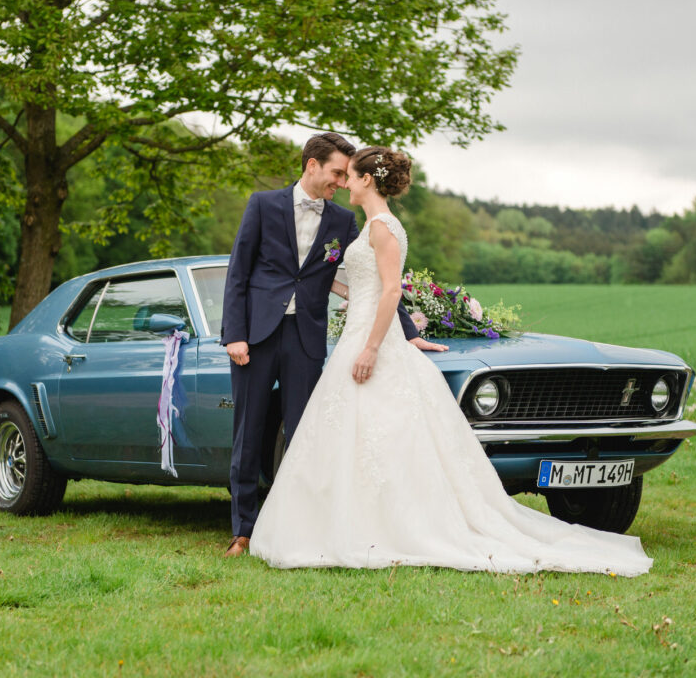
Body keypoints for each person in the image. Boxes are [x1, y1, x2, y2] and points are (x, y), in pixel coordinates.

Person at [249, 147, 653, 575]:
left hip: (370, 342)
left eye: (349, 175)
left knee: (377, 433)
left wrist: (370, 348)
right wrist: (342, 296)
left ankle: (385, 528)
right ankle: (354, 523)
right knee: (356, 433)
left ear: (368, 179)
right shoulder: (373, 226)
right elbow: (367, 288)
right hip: (362, 333)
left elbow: (390, 292)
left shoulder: (383, 228)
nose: (344, 183)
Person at [221, 133, 447, 557]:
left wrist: (409, 332)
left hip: (306, 339)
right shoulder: (262, 205)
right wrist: (234, 334)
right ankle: (243, 531)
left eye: (347, 175)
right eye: (336, 173)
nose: (341, 182)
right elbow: (238, 271)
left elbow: (372, 283)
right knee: (248, 434)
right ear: (311, 165)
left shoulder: (344, 222)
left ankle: (294, 527)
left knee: (305, 435)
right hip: (255, 336)